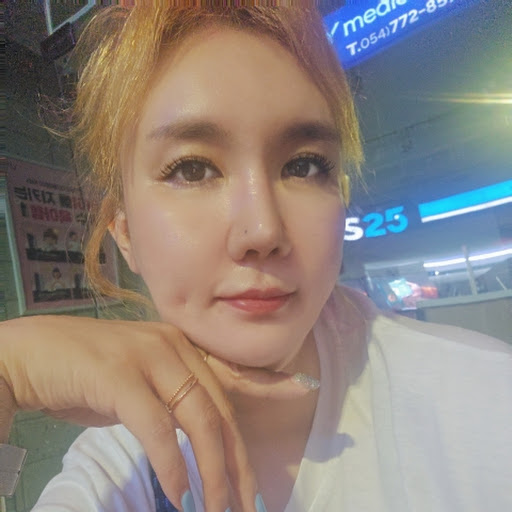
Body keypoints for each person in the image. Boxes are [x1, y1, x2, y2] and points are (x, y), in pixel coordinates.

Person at [1, 5, 511, 512]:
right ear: (124, 232)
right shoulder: (113, 468)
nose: (263, 230)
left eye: (304, 166)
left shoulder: (484, 398)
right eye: (193, 170)